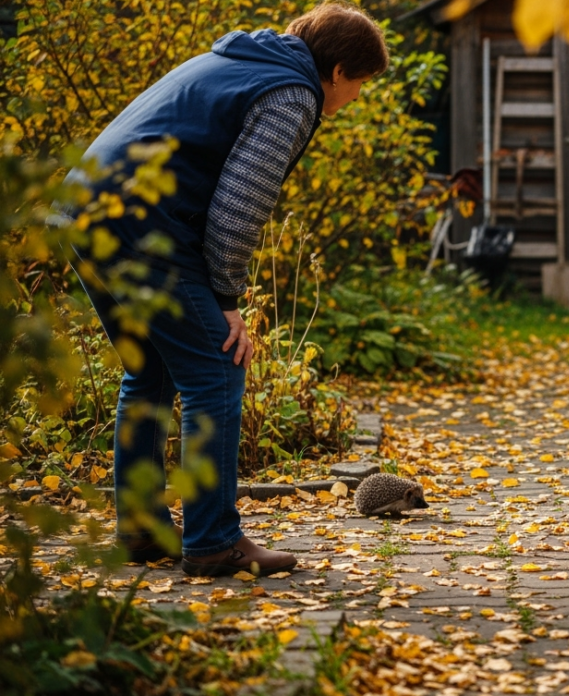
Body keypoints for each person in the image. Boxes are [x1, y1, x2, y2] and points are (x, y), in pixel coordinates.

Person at [66, 2, 388, 577]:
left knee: (152, 368)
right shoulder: (292, 94)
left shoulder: (238, 61)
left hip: (84, 209)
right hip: (142, 226)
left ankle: (140, 532)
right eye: (359, 86)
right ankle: (214, 541)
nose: (354, 100)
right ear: (338, 71)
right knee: (218, 369)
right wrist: (228, 300)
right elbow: (238, 210)